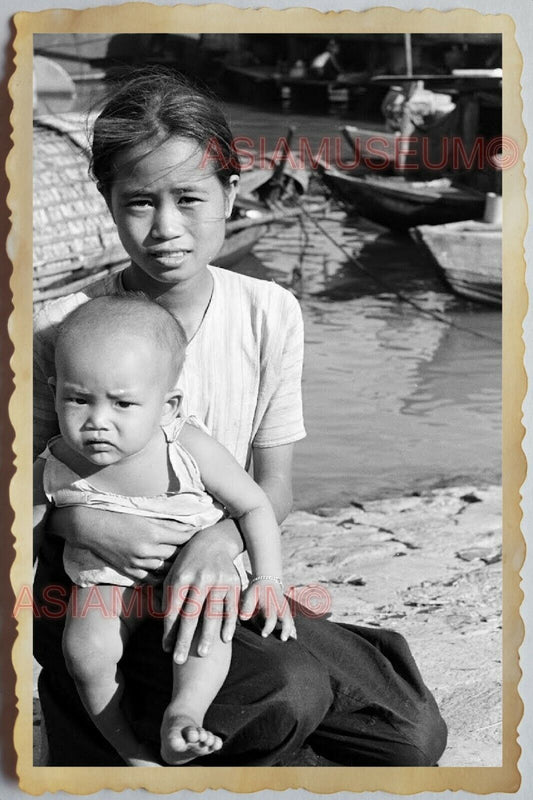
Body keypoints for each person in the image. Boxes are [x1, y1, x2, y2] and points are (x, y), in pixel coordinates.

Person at [33, 66, 447, 767]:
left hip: (211, 573)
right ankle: (134, 723)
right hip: (96, 591)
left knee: (408, 733)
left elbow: (273, 485)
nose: (165, 228)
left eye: (188, 198)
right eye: (138, 202)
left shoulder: (268, 312)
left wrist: (218, 542)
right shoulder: (62, 329)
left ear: (231, 193)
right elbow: (23, 488)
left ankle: (290, 680)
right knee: (284, 691)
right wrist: (83, 519)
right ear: (108, 202)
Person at [34, 295, 296, 767]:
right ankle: (126, 746)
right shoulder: (53, 466)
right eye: (77, 399)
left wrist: (268, 581)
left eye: (123, 403)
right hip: (108, 586)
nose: (97, 421)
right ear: (54, 392)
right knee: (85, 652)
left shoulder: (184, 445)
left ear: (168, 405)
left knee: (203, 638)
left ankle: (182, 716)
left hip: (192, 580)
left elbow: (256, 503)